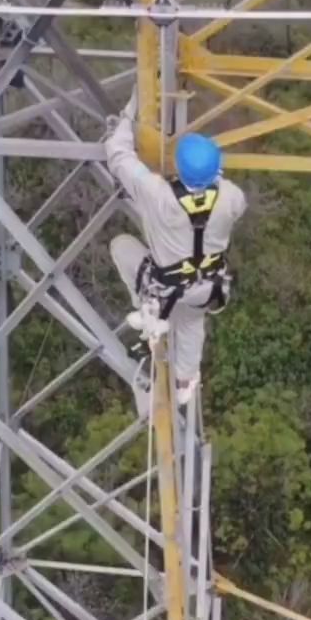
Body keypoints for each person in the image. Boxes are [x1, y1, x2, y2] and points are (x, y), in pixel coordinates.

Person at [104, 98, 247, 406]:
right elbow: (229, 203)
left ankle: (146, 308)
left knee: (122, 246)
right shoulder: (231, 197)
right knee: (192, 322)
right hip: (207, 289)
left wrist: (127, 119)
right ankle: (185, 380)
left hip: (163, 289)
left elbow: (118, 156)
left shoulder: (158, 196)